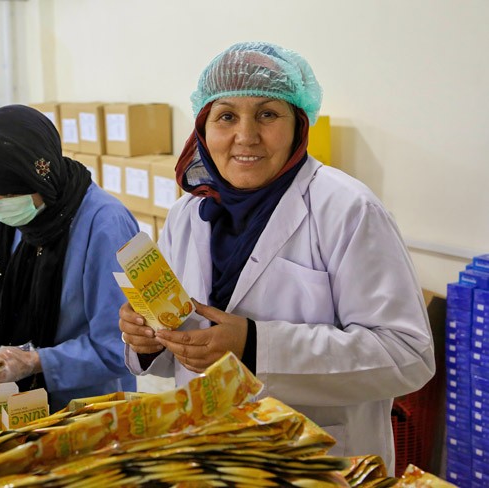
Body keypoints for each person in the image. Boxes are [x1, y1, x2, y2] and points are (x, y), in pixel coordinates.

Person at [118, 41, 435, 474]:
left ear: (298, 124)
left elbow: (408, 356)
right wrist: (147, 341)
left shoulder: (347, 209)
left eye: (267, 114)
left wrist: (256, 346)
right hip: (207, 454)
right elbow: (185, 335)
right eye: (226, 116)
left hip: (317, 460)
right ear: (203, 128)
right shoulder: (187, 214)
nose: (245, 136)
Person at [0, 104, 138, 412]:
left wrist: (36, 361)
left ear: (41, 174)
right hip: (13, 400)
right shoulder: (2, 219)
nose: (3, 204)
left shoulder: (105, 224)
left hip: (86, 408)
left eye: (12, 193)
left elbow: (119, 347)